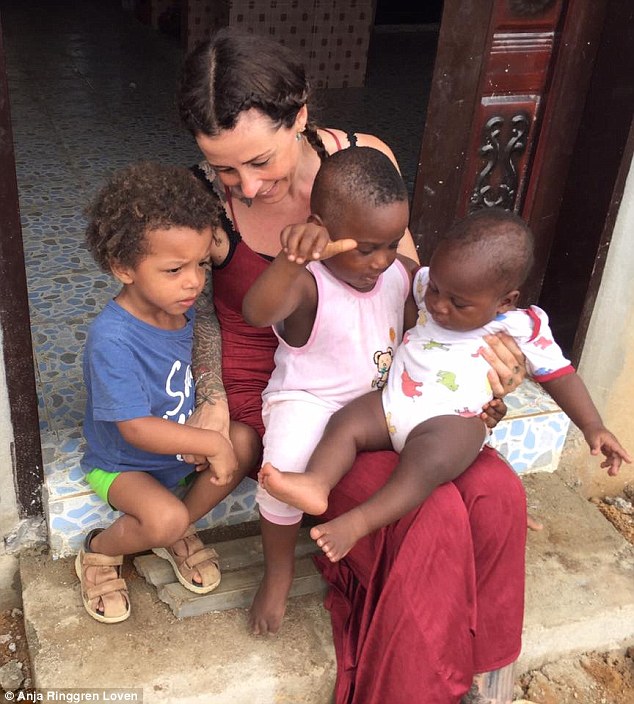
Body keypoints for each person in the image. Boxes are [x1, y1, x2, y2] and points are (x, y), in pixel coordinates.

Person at [179, 28, 529, 703]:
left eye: (259, 160)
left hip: (386, 383)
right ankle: (414, 689)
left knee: (496, 495)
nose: (247, 186)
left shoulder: (364, 163)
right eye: (225, 168)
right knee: (432, 521)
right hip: (292, 393)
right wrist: (211, 393)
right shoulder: (202, 201)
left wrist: (478, 370)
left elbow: (418, 288)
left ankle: (484, 669)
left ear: (301, 116)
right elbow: (198, 312)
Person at [261, 208, 631, 563]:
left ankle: (359, 522)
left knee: (427, 464)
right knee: (345, 423)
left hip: (451, 423)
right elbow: (404, 270)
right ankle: (316, 484)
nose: (437, 304)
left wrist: (592, 425)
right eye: (436, 288)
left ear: (505, 301)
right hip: (393, 403)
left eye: (458, 303)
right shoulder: (427, 284)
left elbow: (560, 374)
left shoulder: (522, 327)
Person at [77, 162, 255, 624]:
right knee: (165, 517)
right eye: (174, 269)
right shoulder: (112, 338)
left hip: (178, 459)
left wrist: (215, 434)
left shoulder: (186, 311)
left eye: (200, 264)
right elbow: (134, 428)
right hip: (124, 467)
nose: (194, 281)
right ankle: (99, 550)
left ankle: (176, 523)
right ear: (122, 267)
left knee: (246, 443)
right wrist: (209, 442)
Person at [242, 145, 418, 567]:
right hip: (311, 402)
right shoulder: (308, 283)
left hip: (374, 404)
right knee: (283, 463)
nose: (382, 260)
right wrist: (290, 259)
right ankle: (279, 571)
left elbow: (427, 320)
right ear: (323, 230)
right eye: (367, 248)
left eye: (393, 243)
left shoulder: (401, 274)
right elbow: (255, 313)